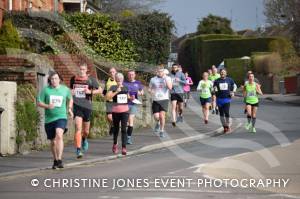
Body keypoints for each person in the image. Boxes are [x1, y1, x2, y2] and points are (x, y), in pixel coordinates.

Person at [37, 71, 73, 169]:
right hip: (49, 119)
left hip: (61, 117)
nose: (54, 80)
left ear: (59, 79)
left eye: (56, 78)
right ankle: (55, 159)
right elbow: (39, 102)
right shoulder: (46, 90)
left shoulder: (65, 90)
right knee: (53, 141)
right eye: (52, 79)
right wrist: (47, 106)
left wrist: (69, 108)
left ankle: (60, 159)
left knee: (59, 135)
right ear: (50, 80)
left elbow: (70, 98)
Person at [70, 63, 102, 159]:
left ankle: (84, 139)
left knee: (86, 131)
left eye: (83, 69)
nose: (81, 71)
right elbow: (70, 90)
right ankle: (78, 150)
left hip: (87, 107)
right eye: (80, 69)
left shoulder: (91, 80)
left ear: (86, 70)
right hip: (77, 106)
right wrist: (70, 92)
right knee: (78, 129)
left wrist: (90, 92)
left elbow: (100, 90)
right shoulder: (74, 79)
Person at [106, 73, 130, 155]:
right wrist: (116, 91)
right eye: (118, 78)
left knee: (124, 129)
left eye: (121, 78)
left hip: (125, 111)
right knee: (116, 129)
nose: (119, 79)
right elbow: (108, 97)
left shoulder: (126, 87)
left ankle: (124, 147)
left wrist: (131, 98)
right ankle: (115, 144)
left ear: (123, 79)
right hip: (116, 111)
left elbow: (128, 97)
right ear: (116, 79)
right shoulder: (113, 87)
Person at [149, 66, 172, 138]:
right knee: (156, 116)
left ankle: (161, 131)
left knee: (162, 116)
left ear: (163, 71)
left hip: (164, 99)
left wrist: (165, 79)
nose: (160, 72)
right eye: (158, 71)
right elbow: (150, 89)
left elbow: (170, 87)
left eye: (161, 71)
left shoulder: (167, 78)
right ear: (156, 72)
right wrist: (151, 91)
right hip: (156, 99)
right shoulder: (153, 79)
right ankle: (158, 122)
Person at [123, 70, 144, 144]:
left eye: (132, 74)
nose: (131, 76)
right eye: (129, 74)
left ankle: (128, 138)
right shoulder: (124, 83)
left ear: (135, 75)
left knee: (130, 120)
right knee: (125, 121)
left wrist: (139, 92)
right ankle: (126, 136)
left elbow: (142, 92)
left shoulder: (138, 83)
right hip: (125, 104)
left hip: (133, 104)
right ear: (127, 75)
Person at [213, 69, 236, 133]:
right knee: (221, 114)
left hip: (227, 99)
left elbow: (234, 86)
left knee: (226, 113)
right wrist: (214, 90)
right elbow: (214, 89)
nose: (222, 73)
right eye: (221, 72)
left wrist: (233, 92)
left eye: (224, 72)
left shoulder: (230, 80)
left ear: (226, 73)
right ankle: (225, 127)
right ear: (220, 73)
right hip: (219, 99)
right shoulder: (217, 81)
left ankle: (228, 125)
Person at [103, 67, 117, 136]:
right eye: (110, 72)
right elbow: (105, 90)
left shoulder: (118, 80)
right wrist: (103, 95)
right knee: (109, 117)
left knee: (115, 116)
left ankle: (113, 126)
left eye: (113, 72)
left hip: (117, 101)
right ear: (109, 73)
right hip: (109, 101)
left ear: (115, 72)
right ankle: (113, 126)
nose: (112, 73)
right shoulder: (107, 80)